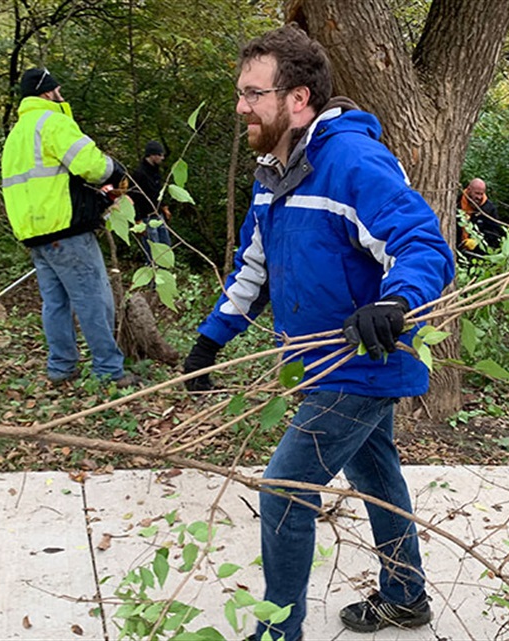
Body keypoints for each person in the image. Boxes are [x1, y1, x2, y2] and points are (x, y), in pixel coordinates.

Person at [180, 25, 453, 641]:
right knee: (376, 476)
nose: (241, 106)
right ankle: (406, 597)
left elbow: (422, 243)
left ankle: (279, 632)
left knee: (283, 491)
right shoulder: (273, 173)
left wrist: (396, 304)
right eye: (241, 92)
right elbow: (254, 267)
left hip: (362, 363)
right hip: (316, 363)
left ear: (297, 99)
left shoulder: (352, 161)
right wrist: (211, 339)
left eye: (253, 93)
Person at [1, 68, 135, 387]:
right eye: (58, 90)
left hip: (35, 233)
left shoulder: (17, 134)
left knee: (55, 302)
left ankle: (61, 367)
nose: (62, 95)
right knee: (93, 298)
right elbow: (91, 165)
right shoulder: (52, 123)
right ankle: (108, 371)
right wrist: (116, 171)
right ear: (47, 93)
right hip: (66, 229)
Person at [129, 140, 172, 264]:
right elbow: (133, 198)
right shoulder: (139, 174)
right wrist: (137, 220)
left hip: (158, 215)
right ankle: (154, 281)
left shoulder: (156, 171)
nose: (162, 158)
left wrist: (164, 207)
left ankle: (166, 278)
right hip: (145, 218)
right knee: (153, 253)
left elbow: (158, 191)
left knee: (165, 248)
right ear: (152, 155)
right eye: (160, 155)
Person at [456, 177, 505, 253]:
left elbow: (495, 235)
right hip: (456, 250)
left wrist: (477, 242)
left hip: (478, 254)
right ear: (469, 190)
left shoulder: (489, 209)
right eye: (476, 193)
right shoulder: (456, 202)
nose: (479, 197)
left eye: (481, 194)